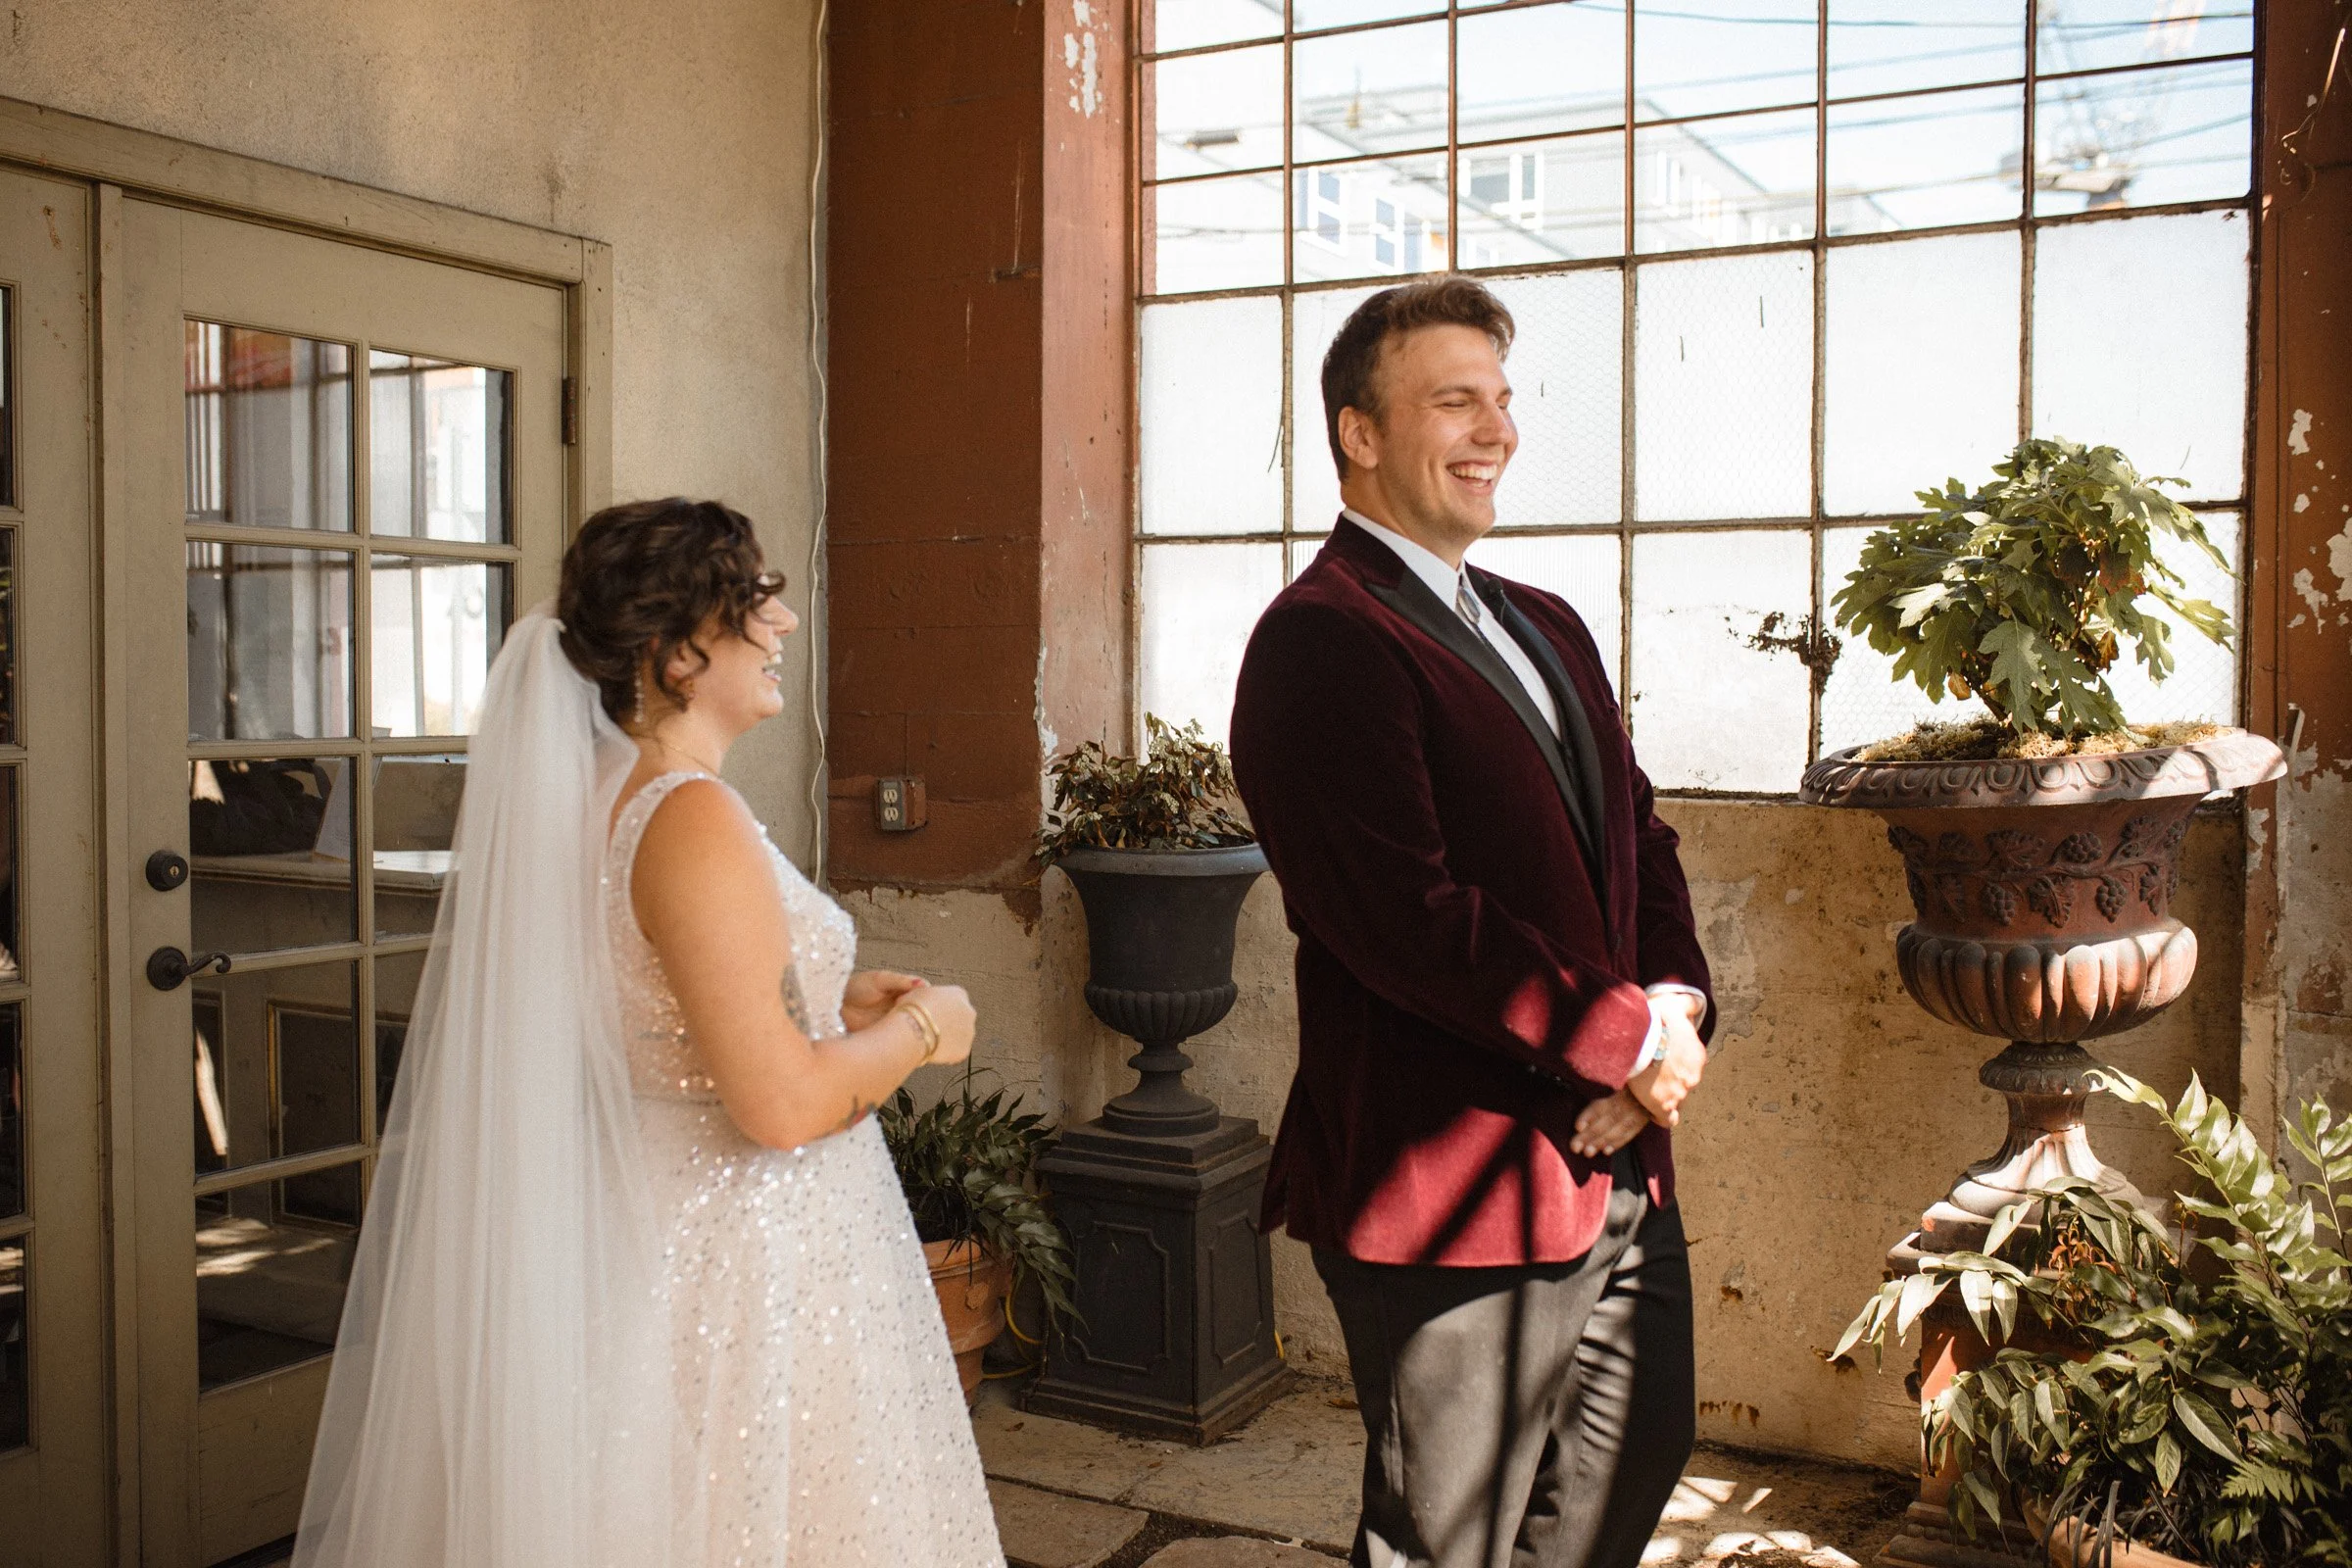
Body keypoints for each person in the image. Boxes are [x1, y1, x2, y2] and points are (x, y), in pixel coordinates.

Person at [292, 498, 1004, 1568]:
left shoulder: (590, 795)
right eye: (754, 600)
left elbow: (644, 1007)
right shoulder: (686, 814)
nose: (784, 625)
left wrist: (825, 1001)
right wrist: (920, 1028)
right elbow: (778, 1105)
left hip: (644, 1234)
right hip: (740, 1270)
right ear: (678, 654)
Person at [1229, 278, 1716, 1568]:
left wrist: (1676, 1013)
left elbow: (1641, 839)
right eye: (1455, 399)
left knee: (1619, 1486)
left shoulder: (1543, 621)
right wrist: (1622, 1044)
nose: (1495, 427)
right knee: (1448, 1542)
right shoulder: (1318, 643)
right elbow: (1405, 917)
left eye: (1501, 399)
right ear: (1361, 433)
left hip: (1619, 1171)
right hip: (1451, 1191)